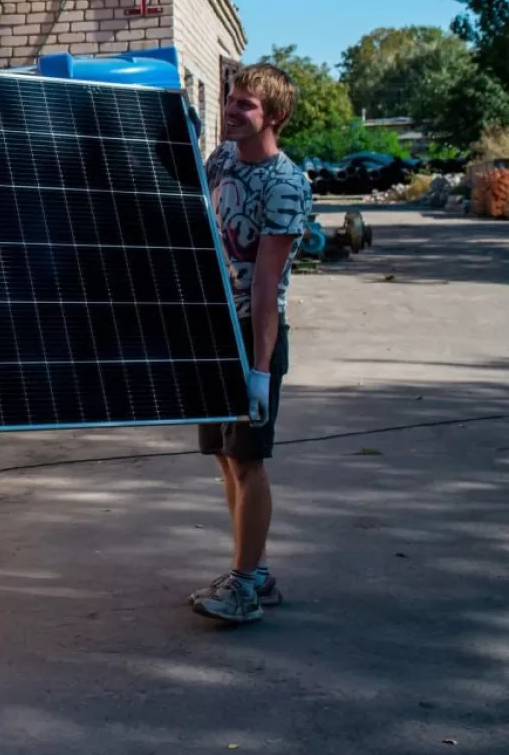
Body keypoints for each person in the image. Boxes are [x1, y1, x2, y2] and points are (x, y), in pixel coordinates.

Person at [190, 62, 311, 625]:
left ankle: (243, 586)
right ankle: (254, 570)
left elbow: (266, 285)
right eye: (231, 100)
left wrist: (260, 370)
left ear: (275, 116)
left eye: (246, 106)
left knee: (248, 460)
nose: (231, 111)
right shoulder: (221, 160)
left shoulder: (286, 185)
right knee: (223, 454)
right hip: (212, 327)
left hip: (251, 333)